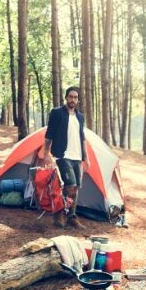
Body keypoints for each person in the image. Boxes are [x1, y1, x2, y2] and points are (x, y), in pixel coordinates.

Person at [43, 86, 90, 229]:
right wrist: (46, 153)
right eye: (71, 96)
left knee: (76, 187)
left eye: (75, 97)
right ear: (66, 98)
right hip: (63, 155)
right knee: (70, 185)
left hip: (77, 156)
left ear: (78, 100)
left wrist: (86, 158)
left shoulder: (80, 117)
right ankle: (59, 213)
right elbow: (49, 133)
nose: (73, 100)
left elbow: (83, 138)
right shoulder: (57, 113)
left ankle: (71, 216)